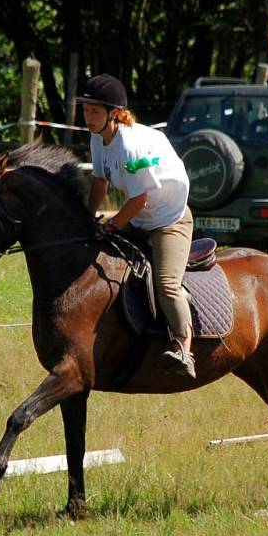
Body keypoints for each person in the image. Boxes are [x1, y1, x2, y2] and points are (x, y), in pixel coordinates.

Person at [78, 74, 196, 379]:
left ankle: (184, 349)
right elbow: (99, 180)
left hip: (169, 220)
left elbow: (139, 200)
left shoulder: (130, 149)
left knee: (166, 285)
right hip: (140, 217)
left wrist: (112, 225)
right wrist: (86, 218)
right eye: (86, 110)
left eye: (94, 111)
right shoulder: (98, 137)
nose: (88, 117)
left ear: (114, 113)